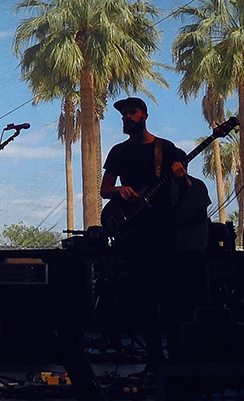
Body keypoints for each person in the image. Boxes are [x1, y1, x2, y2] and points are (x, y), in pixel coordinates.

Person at [100, 97, 190, 371]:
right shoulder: (118, 151)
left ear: (145, 116)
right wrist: (120, 190)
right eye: (124, 114)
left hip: (161, 229)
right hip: (133, 233)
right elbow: (105, 190)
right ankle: (153, 358)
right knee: (143, 296)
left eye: (132, 112)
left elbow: (184, 188)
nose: (127, 117)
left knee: (168, 293)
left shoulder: (166, 148)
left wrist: (181, 178)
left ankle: (177, 357)